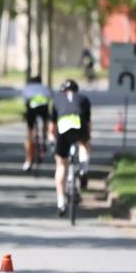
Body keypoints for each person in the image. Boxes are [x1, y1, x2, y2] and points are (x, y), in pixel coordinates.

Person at [50, 79, 92, 216]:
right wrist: (87, 138)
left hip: (63, 126)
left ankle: (61, 202)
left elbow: (52, 128)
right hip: (78, 123)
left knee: (61, 164)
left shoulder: (57, 99)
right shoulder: (83, 98)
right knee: (84, 143)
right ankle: (84, 167)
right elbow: (89, 124)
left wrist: (53, 140)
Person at [22, 75, 52, 172]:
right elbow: (49, 97)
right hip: (43, 109)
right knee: (45, 120)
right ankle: (45, 137)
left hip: (32, 110)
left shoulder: (28, 88)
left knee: (29, 132)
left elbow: (25, 100)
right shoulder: (44, 88)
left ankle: (28, 160)